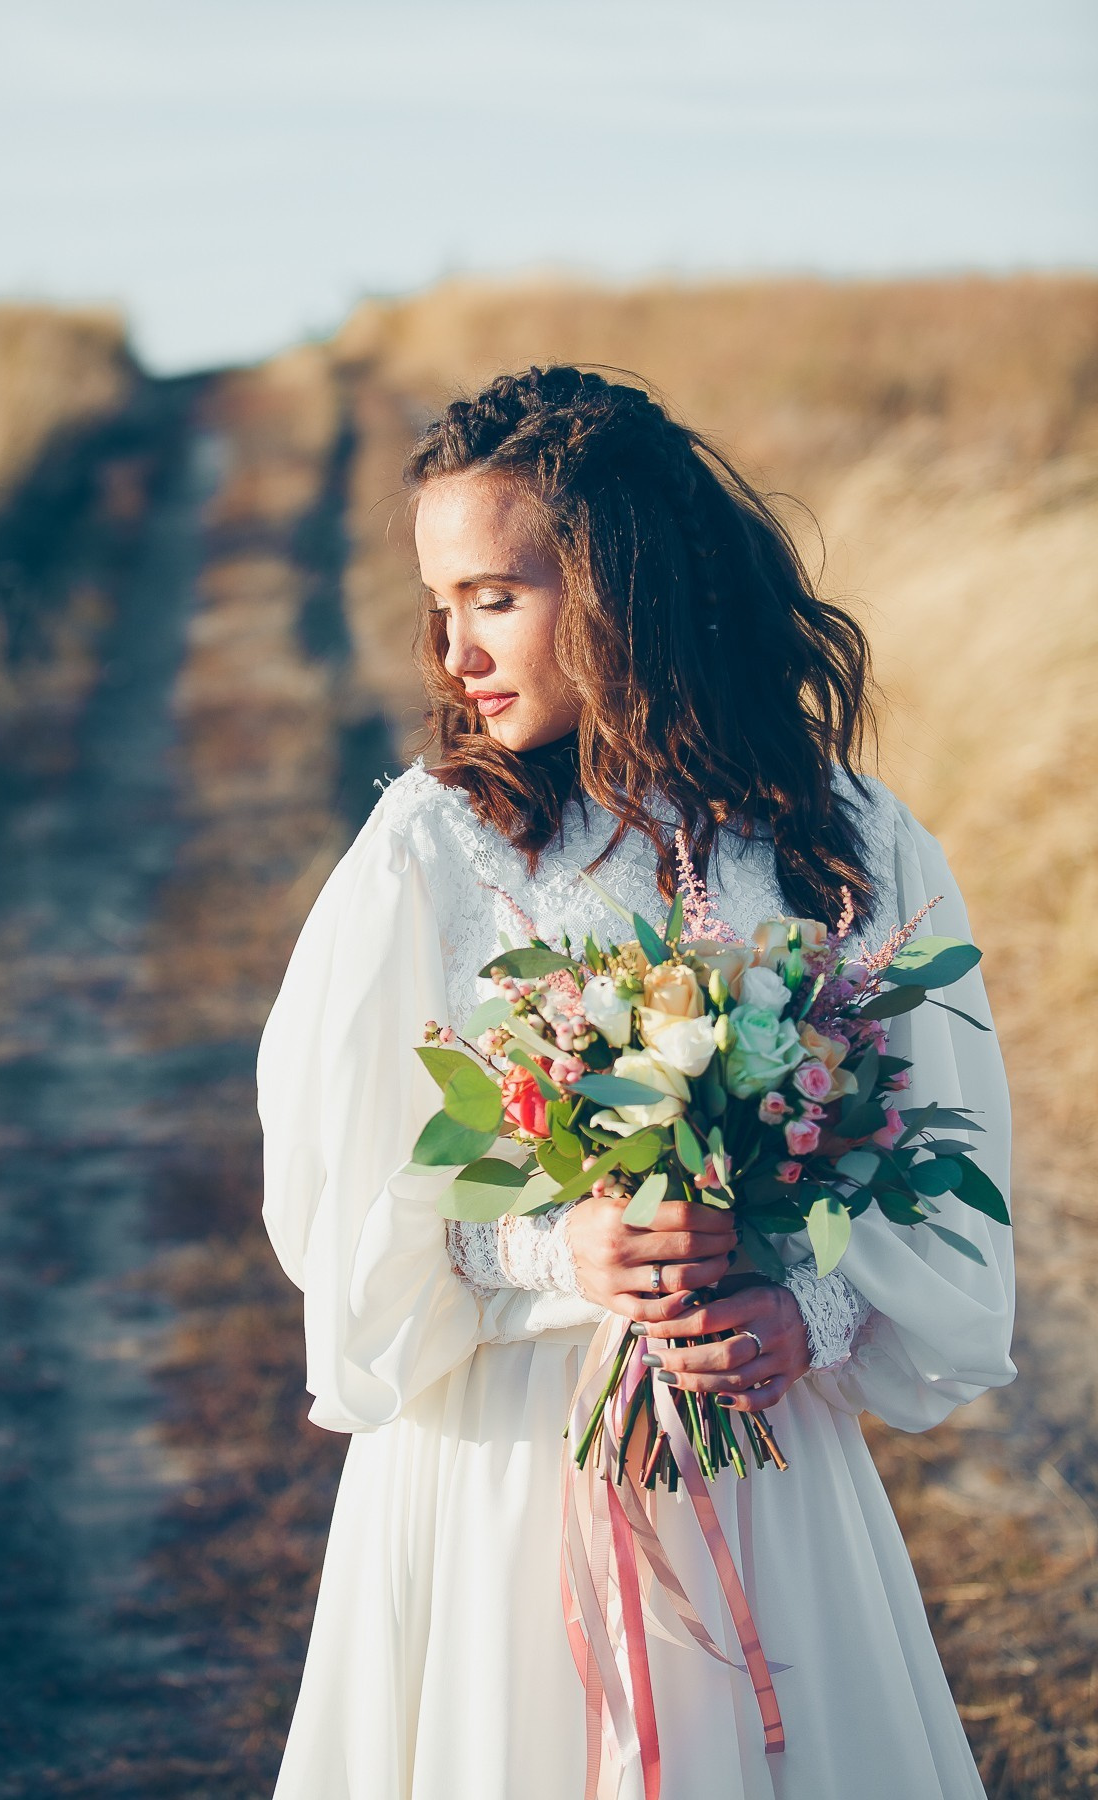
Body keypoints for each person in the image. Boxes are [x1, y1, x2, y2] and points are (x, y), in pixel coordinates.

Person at [256, 365, 1015, 1799]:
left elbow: (930, 1141)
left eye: (499, 595)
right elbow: (345, 1207)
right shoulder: (437, 848)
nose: (455, 648)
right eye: (441, 603)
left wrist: (809, 1306)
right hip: (505, 1464)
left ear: (621, 586)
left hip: (760, 1463)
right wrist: (555, 1249)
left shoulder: (840, 838)